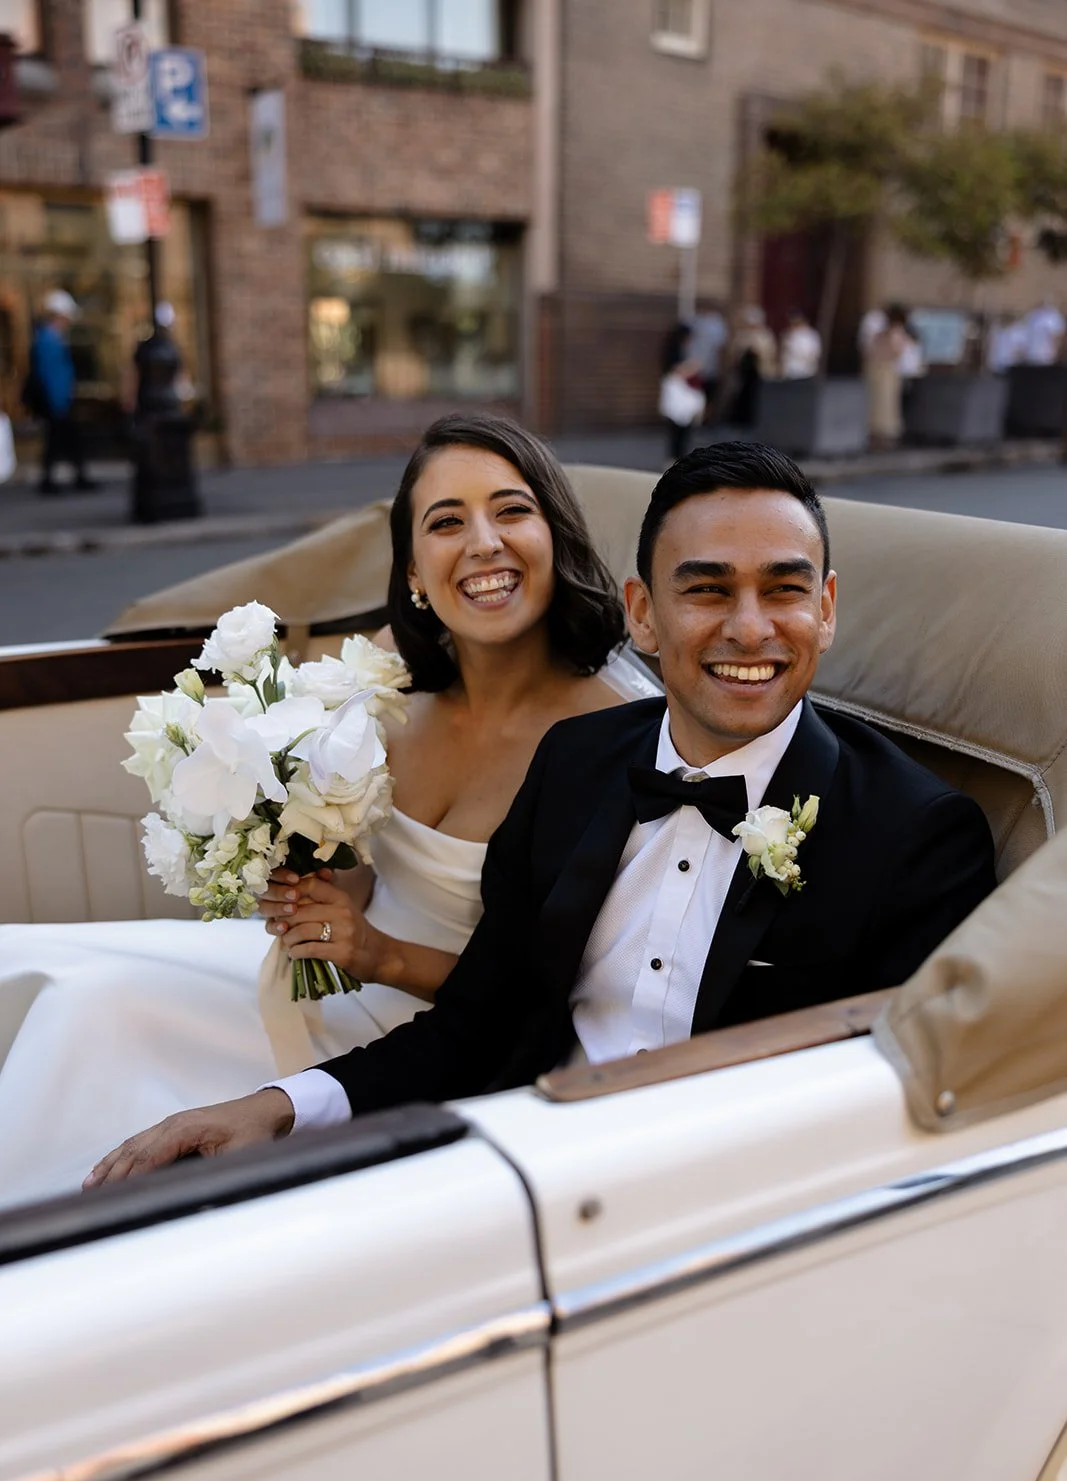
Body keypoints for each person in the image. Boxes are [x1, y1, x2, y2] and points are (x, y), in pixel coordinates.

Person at [87, 440, 997, 1184]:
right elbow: (476, 1020)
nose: (750, 628)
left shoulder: (916, 836)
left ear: (826, 609)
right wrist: (276, 1108)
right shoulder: (575, 764)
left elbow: (893, 1121)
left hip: (723, 1205)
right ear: (643, 613)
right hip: (511, 1151)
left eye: (785, 589)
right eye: (707, 589)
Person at [0, 413, 659, 1207]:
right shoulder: (384, 675)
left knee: (95, 1036)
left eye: (512, 510)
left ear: (556, 537)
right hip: (304, 980)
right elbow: (354, 870)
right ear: (415, 570)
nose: (482, 542)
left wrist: (376, 953)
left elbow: (557, 1006)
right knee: (66, 984)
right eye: (446, 522)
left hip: (420, 1040)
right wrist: (302, 871)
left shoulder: (611, 736)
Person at [26, 289, 97, 496]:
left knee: (63, 441)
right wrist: (58, 403)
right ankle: (61, 480)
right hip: (57, 401)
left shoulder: (50, 338)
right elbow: (50, 375)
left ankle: (72, 478)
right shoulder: (48, 340)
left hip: (59, 400)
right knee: (59, 441)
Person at [659, 320, 704, 464]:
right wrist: (693, 366)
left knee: (680, 429)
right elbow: (676, 372)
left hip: (679, 393)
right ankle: (675, 459)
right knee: (678, 428)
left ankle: (677, 458)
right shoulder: (674, 352)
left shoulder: (679, 350)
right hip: (677, 393)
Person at [865, 304, 910, 448]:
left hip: (885, 370)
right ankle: (882, 429)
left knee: (885, 400)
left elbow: (896, 350)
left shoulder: (888, 333)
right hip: (886, 370)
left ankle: (883, 429)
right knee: (883, 400)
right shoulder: (888, 333)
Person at [724, 307, 777, 427]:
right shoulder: (742, 335)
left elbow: (768, 353)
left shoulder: (764, 336)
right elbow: (734, 353)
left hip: (759, 373)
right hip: (743, 373)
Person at [779, 311, 822, 380]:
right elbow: (785, 354)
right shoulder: (788, 335)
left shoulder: (812, 335)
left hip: (807, 371)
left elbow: (815, 353)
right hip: (791, 371)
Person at [1022, 300, 1066, 366]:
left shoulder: (1032, 316)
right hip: (1042, 356)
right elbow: (1057, 338)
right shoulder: (1051, 317)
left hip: (1039, 356)